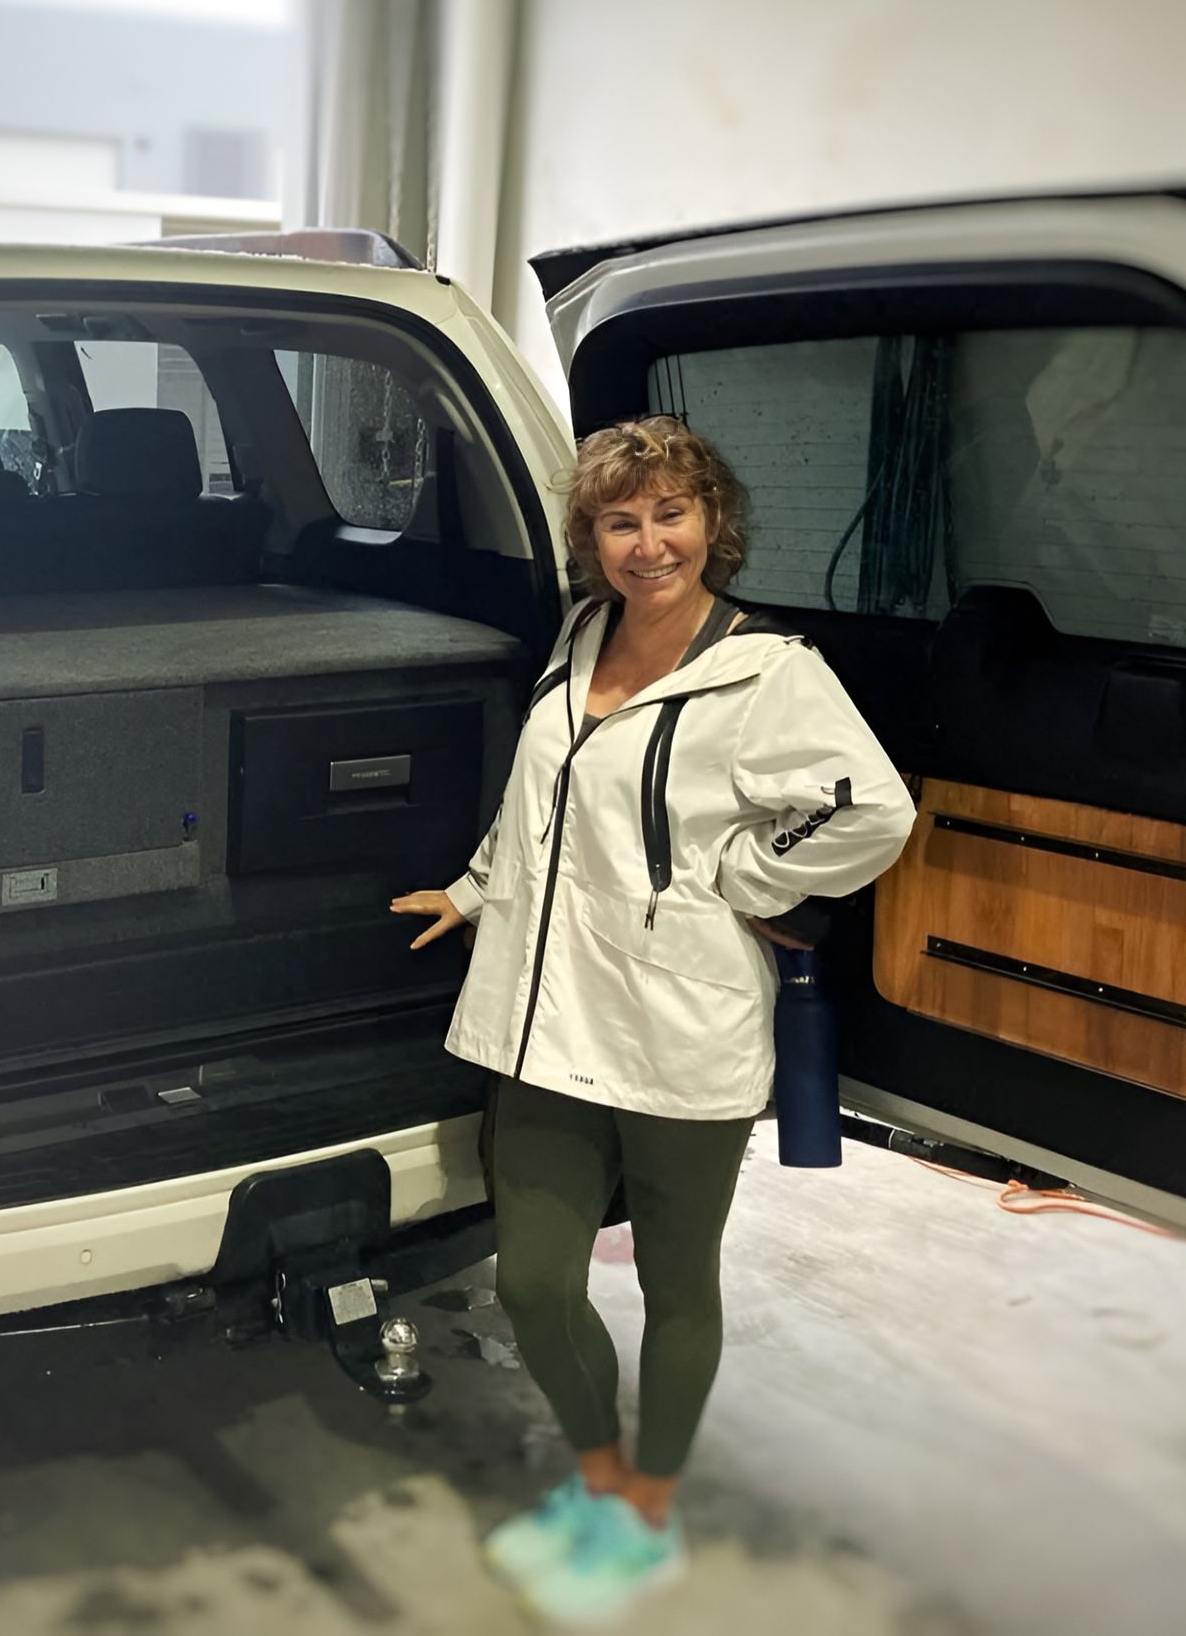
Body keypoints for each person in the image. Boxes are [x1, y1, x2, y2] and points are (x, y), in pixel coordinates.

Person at [391, 415, 914, 1624]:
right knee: (532, 1285)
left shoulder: (770, 671)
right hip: (543, 1021)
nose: (648, 543)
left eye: (670, 514)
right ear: (592, 540)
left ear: (713, 522)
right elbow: (547, 798)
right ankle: (601, 1472)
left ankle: (640, 1509)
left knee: (680, 1289)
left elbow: (868, 808)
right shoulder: (580, 638)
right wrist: (474, 887)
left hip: (682, 1036)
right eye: (620, 522)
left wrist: (749, 877)